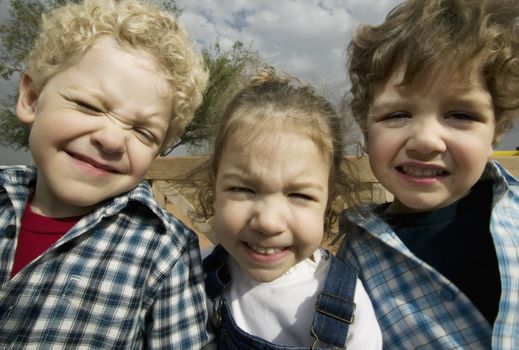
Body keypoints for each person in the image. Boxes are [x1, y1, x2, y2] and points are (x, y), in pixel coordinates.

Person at [0, 0, 211, 348]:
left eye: (144, 133)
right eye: (89, 106)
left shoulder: (163, 248)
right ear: (32, 98)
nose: (112, 139)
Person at [337, 0, 519, 348]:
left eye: (461, 115)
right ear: (365, 129)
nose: (425, 141)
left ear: (495, 132)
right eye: (397, 115)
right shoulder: (354, 261)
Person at [194, 67, 382, 349]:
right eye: (242, 189)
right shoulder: (193, 273)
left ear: (328, 202)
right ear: (215, 188)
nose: (268, 222)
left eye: (299, 195)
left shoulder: (347, 301)